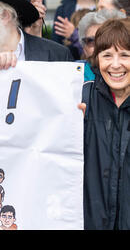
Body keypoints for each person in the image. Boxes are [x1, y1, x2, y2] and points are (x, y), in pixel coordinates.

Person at [81, 17, 130, 229]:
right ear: (97, 58)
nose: (116, 65)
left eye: (125, 55)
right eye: (107, 55)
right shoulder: (81, 99)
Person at [77, 9, 126, 81]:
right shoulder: (74, 76)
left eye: (106, 41)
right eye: (91, 41)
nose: (98, 47)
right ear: (84, 47)